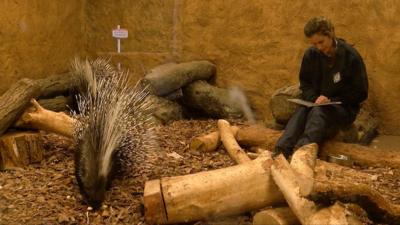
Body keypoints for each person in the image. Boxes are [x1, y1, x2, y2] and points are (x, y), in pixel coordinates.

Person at [273, 16, 368, 159]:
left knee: (318, 111)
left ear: (330, 35)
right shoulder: (311, 55)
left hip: (343, 108)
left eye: (321, 42)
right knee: (303, 109)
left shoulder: (350, 56)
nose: (319, 47)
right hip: (316, 103)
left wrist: (332, 99)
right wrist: (314, 98)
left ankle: (302, 153)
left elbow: (361, 92)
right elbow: (305, 84)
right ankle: (281, 151)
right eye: (314, 44)